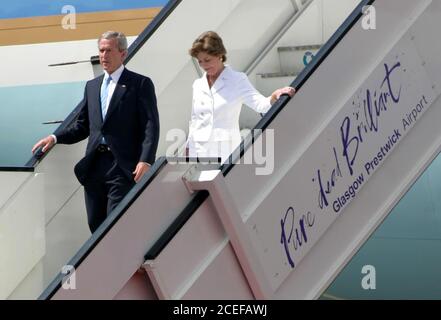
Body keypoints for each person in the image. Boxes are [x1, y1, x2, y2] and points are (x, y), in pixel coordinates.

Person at [32, 31, 160, 233]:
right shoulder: (92, 86)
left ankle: (121, 264)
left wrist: (146, 159)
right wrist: (55, 137)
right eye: (101, 50)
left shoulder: (140, 83)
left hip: (123, 167)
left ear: (123, 54)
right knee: (95, 225)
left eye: (109, 50)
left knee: (115, 225)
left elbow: (150, 126)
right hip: (94, 166)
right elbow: (83, 126)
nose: (103, 56)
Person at [187, 31, 295, 163]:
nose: (204, 65)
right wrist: (188, 148)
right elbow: (194, 120)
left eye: (207, 60)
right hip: (198, 152)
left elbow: (260, 105)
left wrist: (274, 95)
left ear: (220, 55)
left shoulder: (237, 79)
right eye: (200, 62)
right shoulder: (198, 84)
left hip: (225, 154)